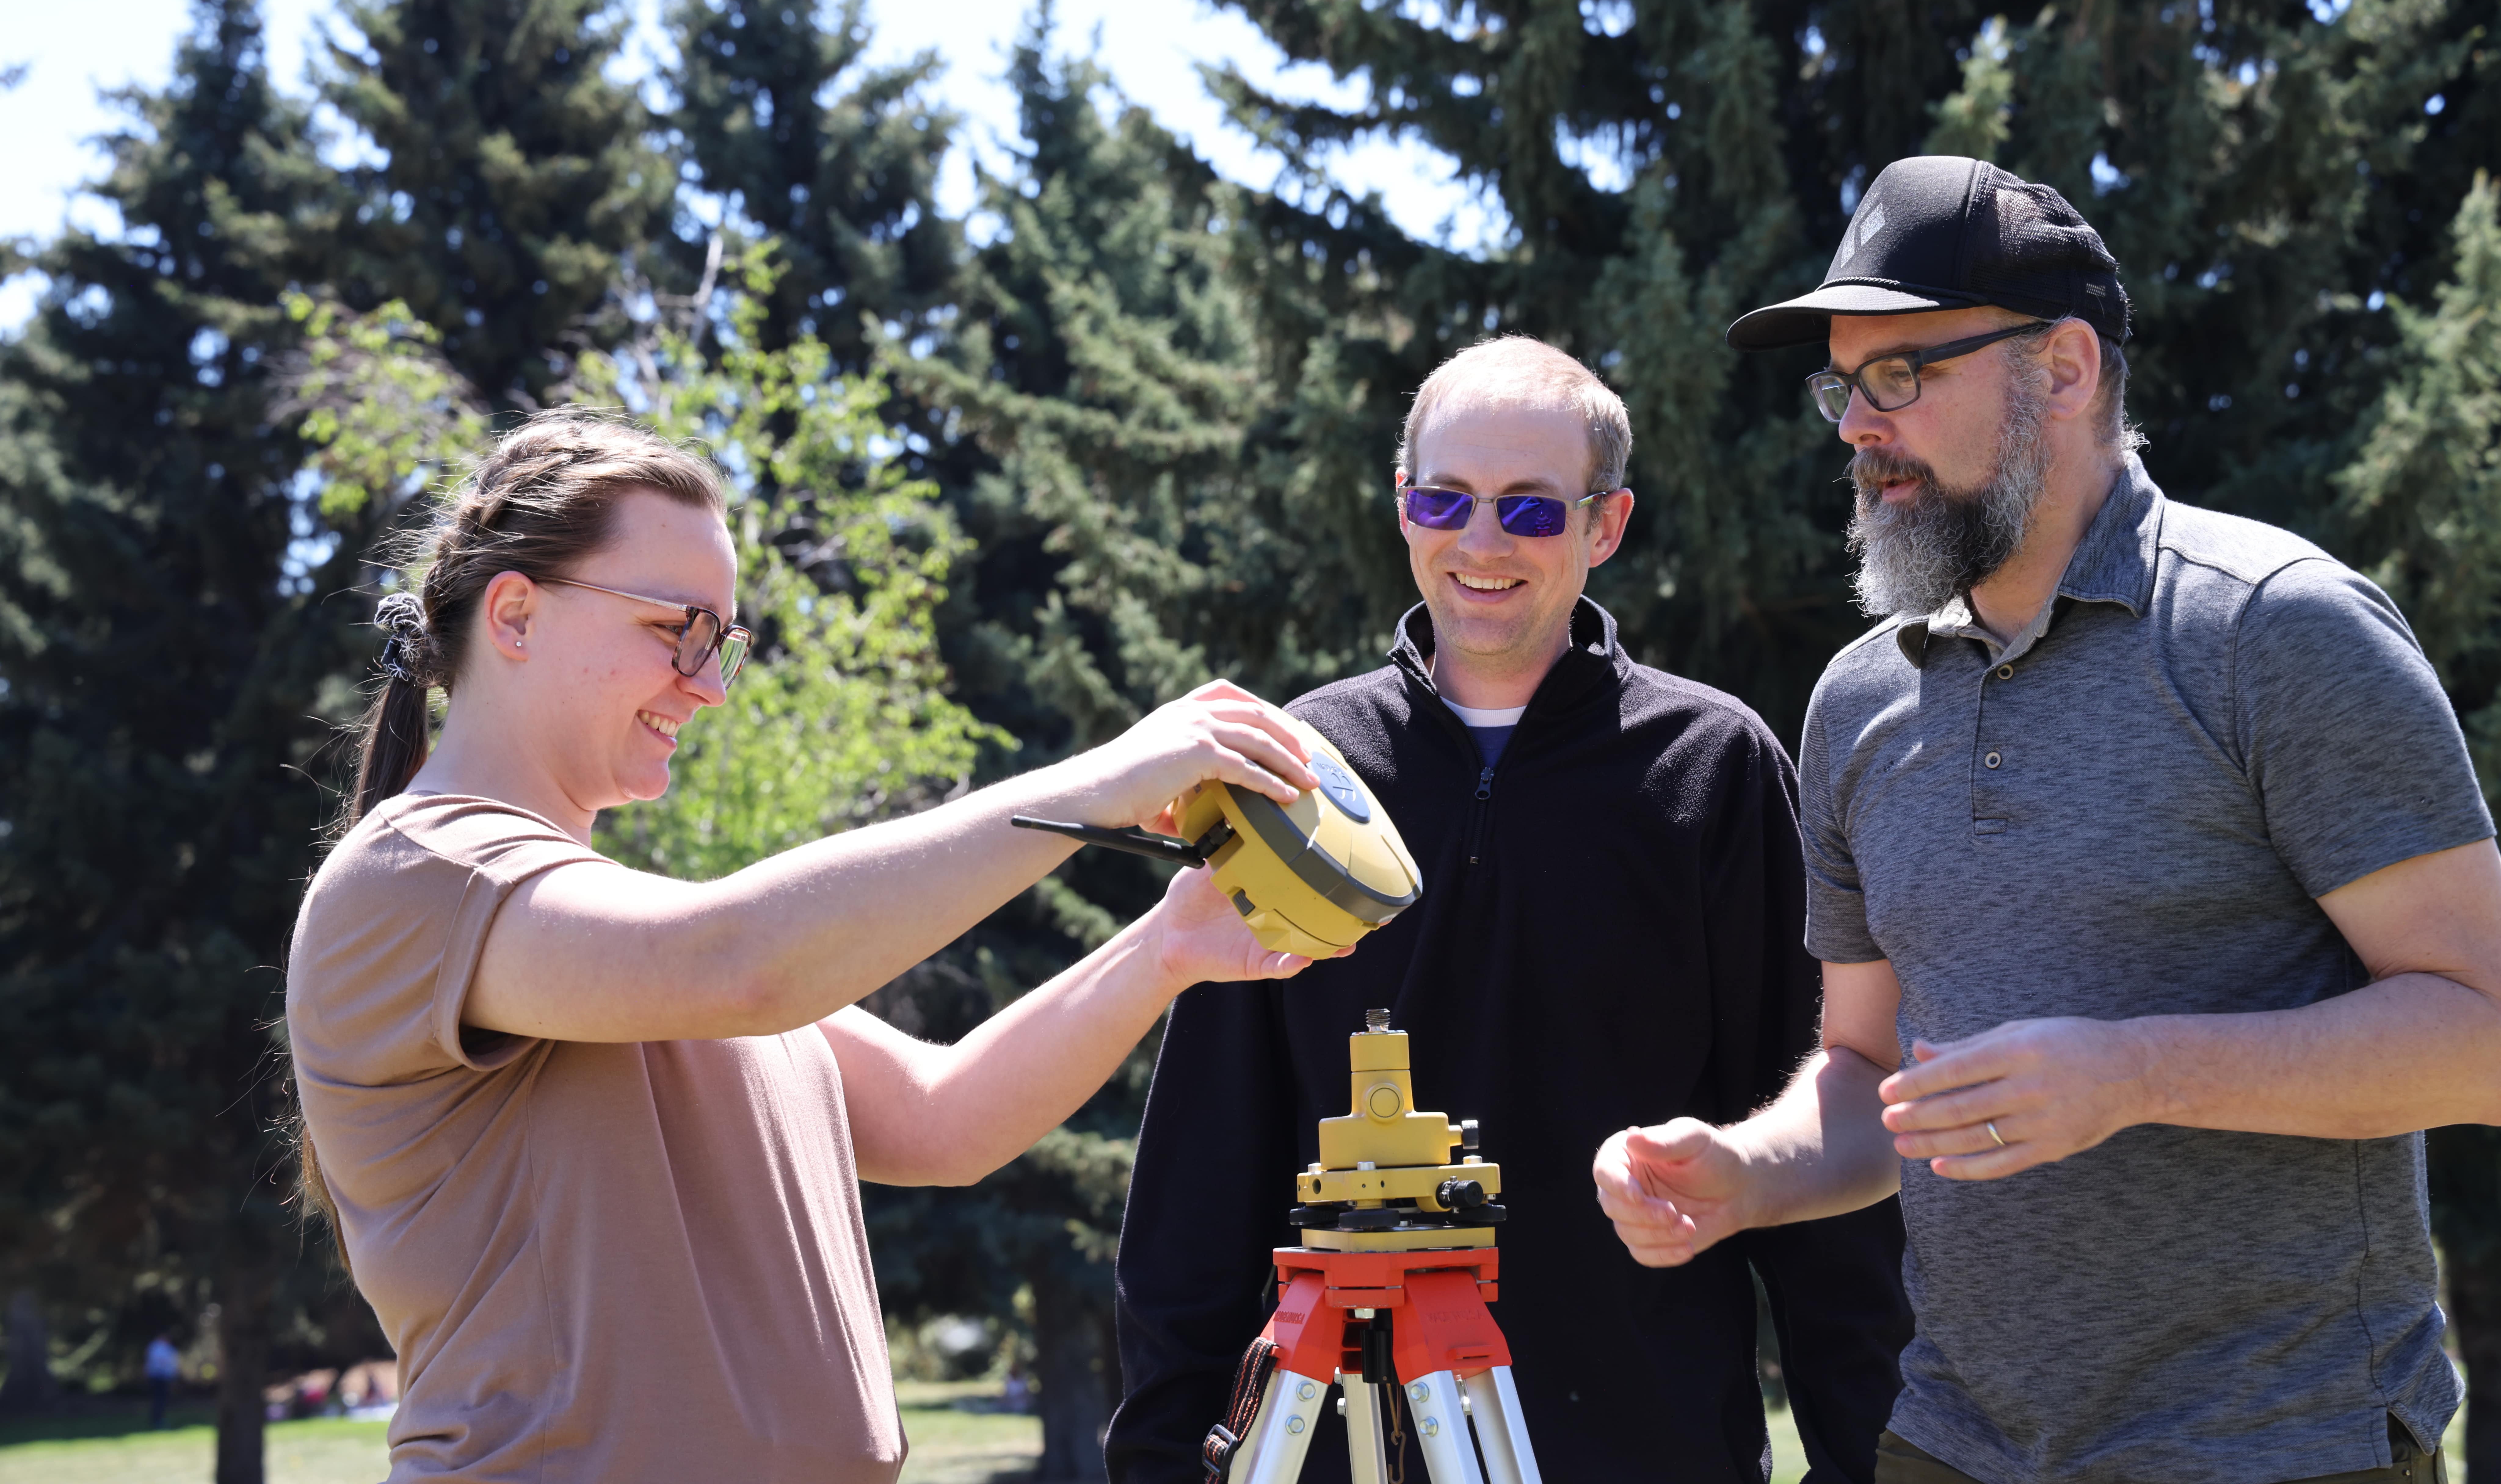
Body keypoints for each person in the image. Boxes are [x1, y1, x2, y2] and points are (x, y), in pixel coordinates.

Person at [1595, 154, 2501, 1484]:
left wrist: (2134, 1075)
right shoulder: (1857, 701)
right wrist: (1746, 1171)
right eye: (1842, 383)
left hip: (2276, 1447)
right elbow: (1864, 1072)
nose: (1855, 423)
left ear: (2064, 370)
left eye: (1901, 373)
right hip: (1955, 1443)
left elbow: (2482, 1034)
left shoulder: (2274, 629)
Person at [286, 412, 1334, 1484]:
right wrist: (1093, 781)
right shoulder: (413, 879)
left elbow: (944, 1117)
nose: (708, 684)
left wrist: (1166, 944)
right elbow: (742, 962)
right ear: (515, 613)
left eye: (722, 642)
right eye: (678, 628)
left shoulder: (627, 936)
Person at [1107, 338, 1914, 1482]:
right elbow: (1200, 1173)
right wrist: (1154, 1457)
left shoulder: (1713, 769)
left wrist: (1861, 1459)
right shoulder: (1295, 772)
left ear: (1607, 523)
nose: (1480, 542)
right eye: (1445, 497)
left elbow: (1821, 1165)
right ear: (1401, 506)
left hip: (1647, 1450)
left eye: (1531, 510)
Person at [144, 1331, 179, 1428]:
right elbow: (160, 1362)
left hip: (165, 1377)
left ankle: (159, 1419)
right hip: (158, 1377)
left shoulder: (167, 1348)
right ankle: (157, 1420)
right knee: (159, 1399)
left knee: (163, 1400)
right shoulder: (156, 1347)